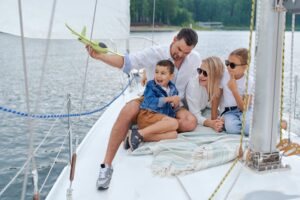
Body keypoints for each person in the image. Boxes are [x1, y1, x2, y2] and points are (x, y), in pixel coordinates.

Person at [86, 28, 201, 190]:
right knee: (128, 110)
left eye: (186, 53)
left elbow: (202, 77)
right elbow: (127, 62)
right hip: (152, 101)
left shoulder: (195, 60)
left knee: (190, 123)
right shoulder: (155, 53)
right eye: (179, 49)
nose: (180, 55)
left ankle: (137, 134)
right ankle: (106, 166)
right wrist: (101, 57)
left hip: (174, 102)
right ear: (174, 39)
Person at [128, 60, 180, 151]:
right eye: (156, 72)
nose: (158, 75)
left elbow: (171, 107)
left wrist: (175, 104)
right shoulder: (151, 85)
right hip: (148, 115)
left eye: (163, 73)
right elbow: (150, 102)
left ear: (171, 76)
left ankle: (136, 135)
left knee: (174, 134)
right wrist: (169, 99)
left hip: (159, 119)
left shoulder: (173, 89)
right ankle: (139, 134)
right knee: (174, 123)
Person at [213, 48, 253, 135]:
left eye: (232, 65)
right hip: (229, 111)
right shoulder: (224, 76)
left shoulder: (249, 81)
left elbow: (244, 108)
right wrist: (213, 119)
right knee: (231, 129)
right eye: (227, 63)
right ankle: (234, 123)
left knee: (248, 129)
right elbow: (216, 97)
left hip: (245, 110)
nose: (228, 67)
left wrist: (234, 90)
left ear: (245, 67)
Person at [184, 56, 224, 132]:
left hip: (205, 110)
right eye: (199, 71)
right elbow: (195, 114)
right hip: (187, 110)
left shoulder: (220, 85)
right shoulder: (193, 85)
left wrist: (220, 121)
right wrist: (211, 123)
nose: (200, 75)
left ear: (215, 75)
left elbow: (223, 108)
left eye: (205, 73)